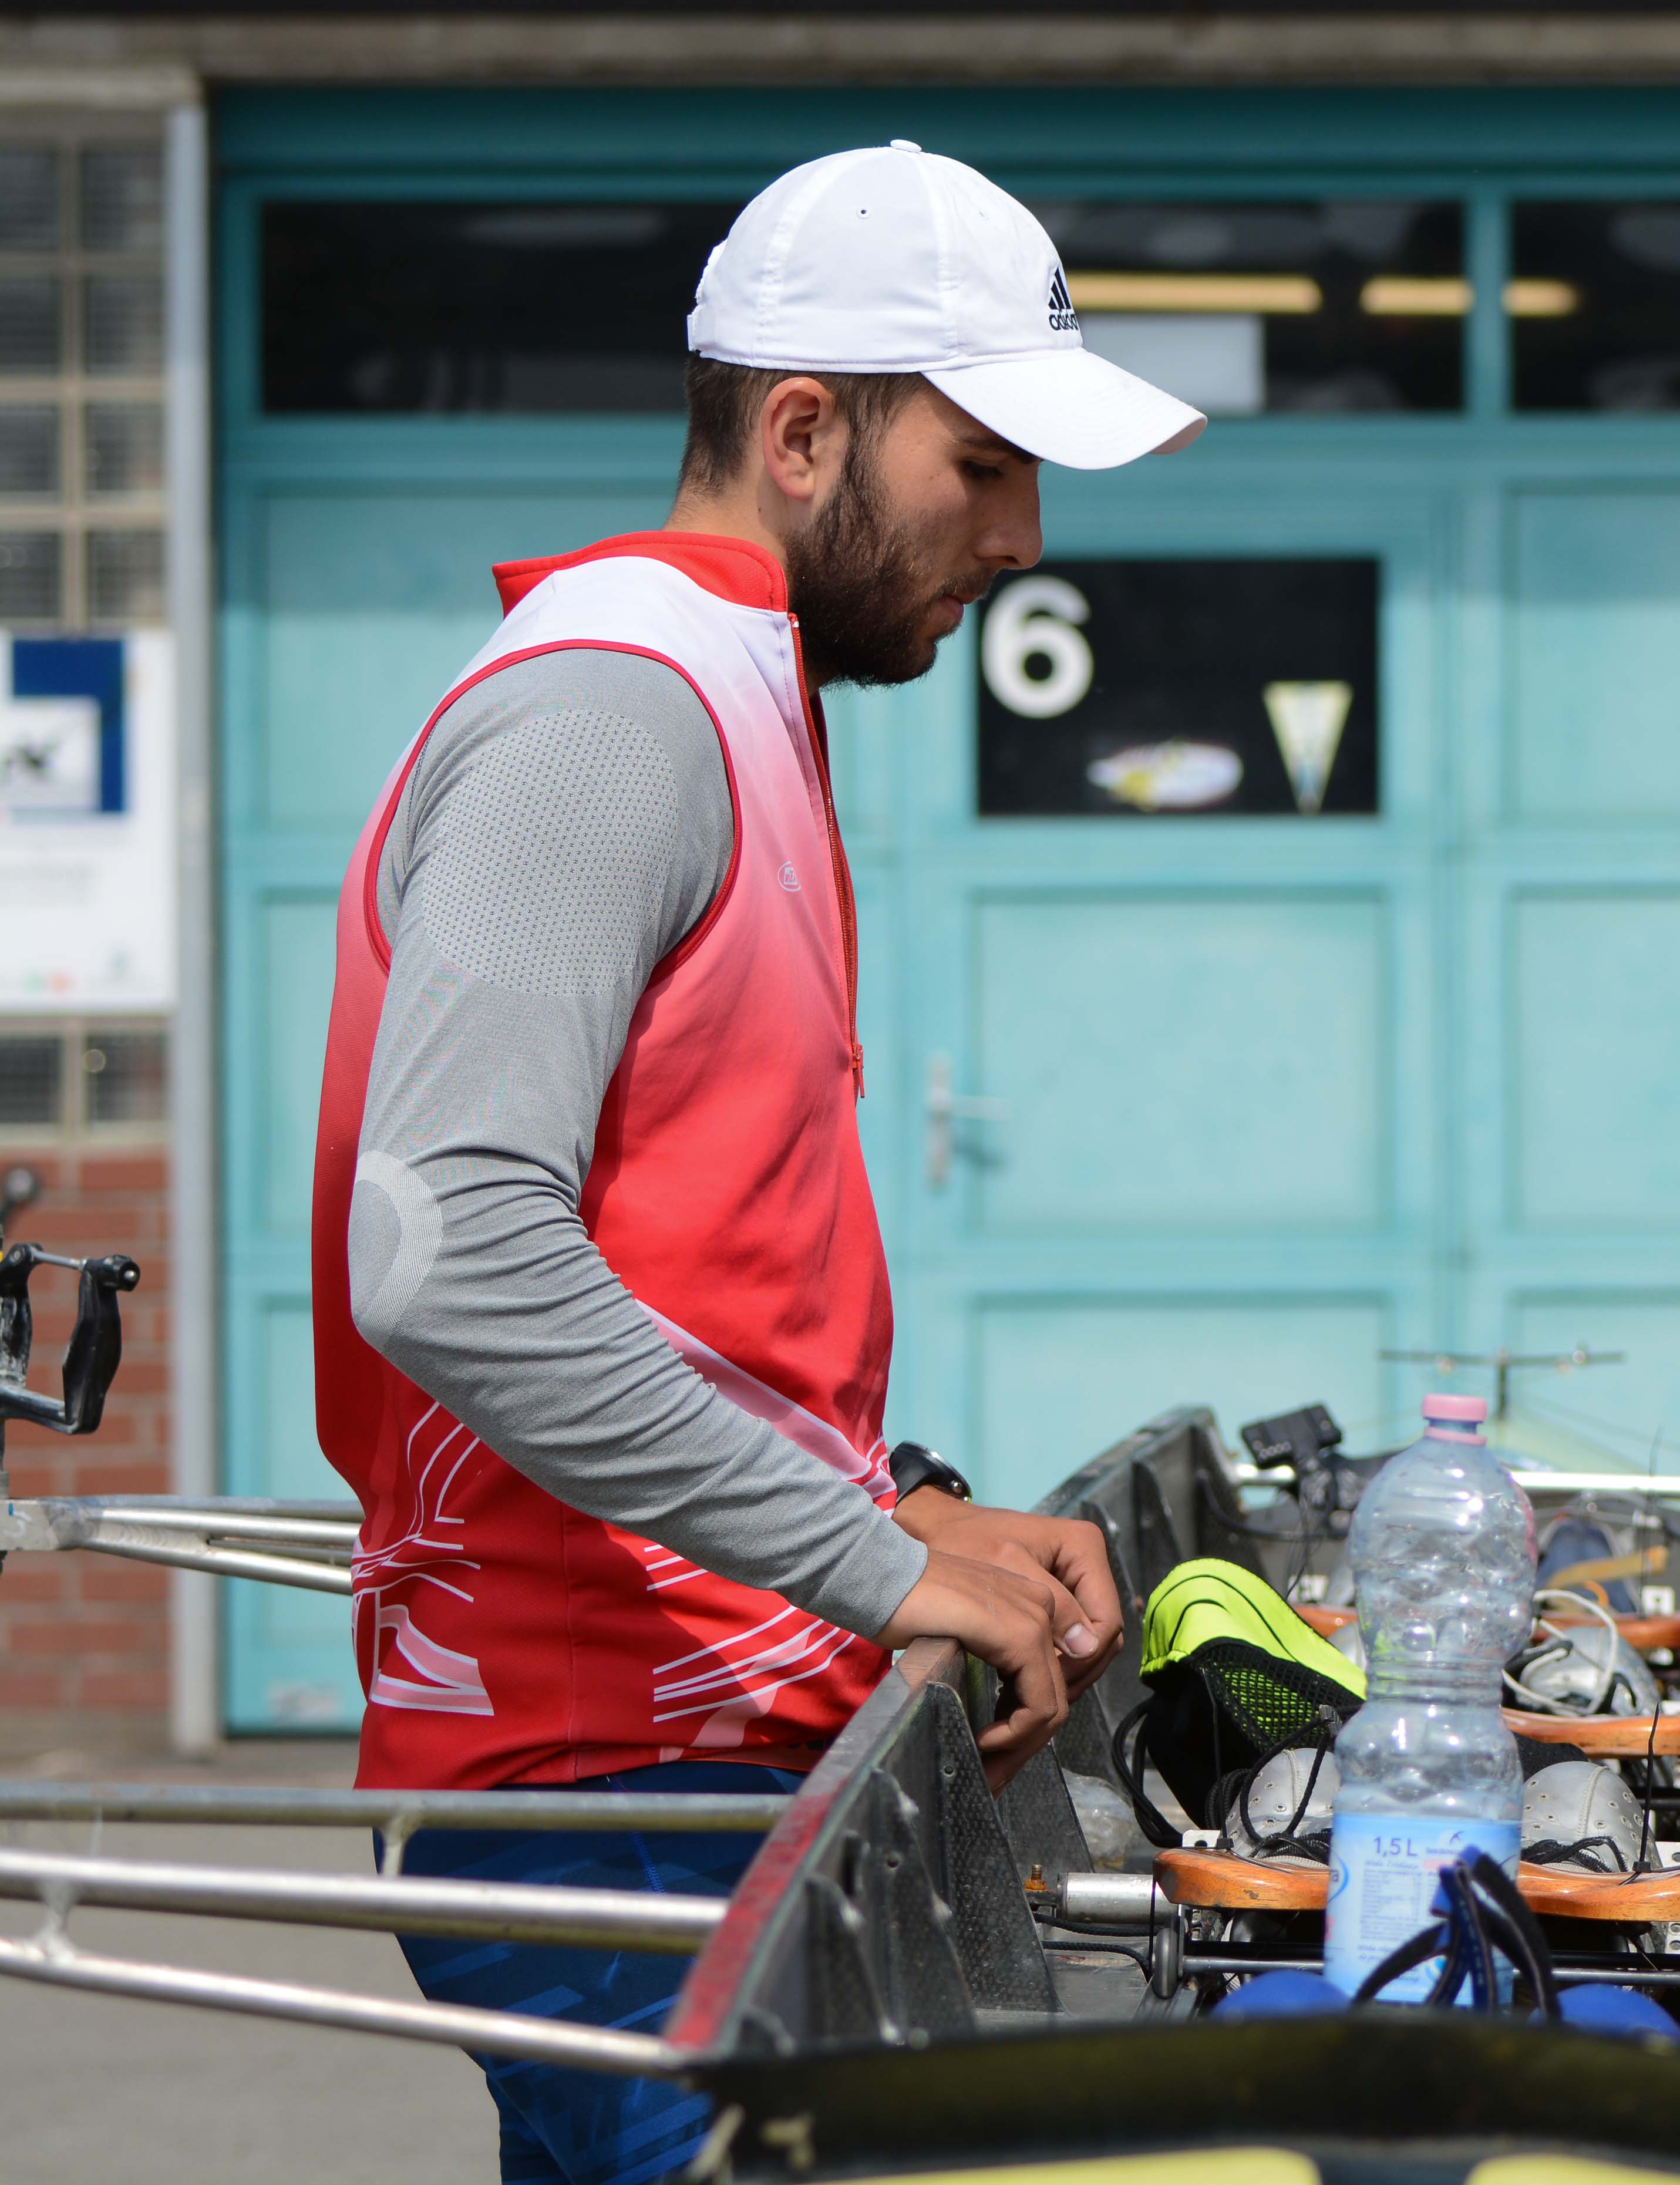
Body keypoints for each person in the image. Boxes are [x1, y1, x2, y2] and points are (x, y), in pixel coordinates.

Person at [308, 142, 1203, 2184]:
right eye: (983, 466)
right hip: (607, 1785)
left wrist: (909, 1504)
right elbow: (449, 1251)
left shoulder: (733, 688)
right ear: (803, 433)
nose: (1024, 536)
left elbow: (684, 1268)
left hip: (692, 1759)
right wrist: (883, 1566)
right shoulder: (613, 710)